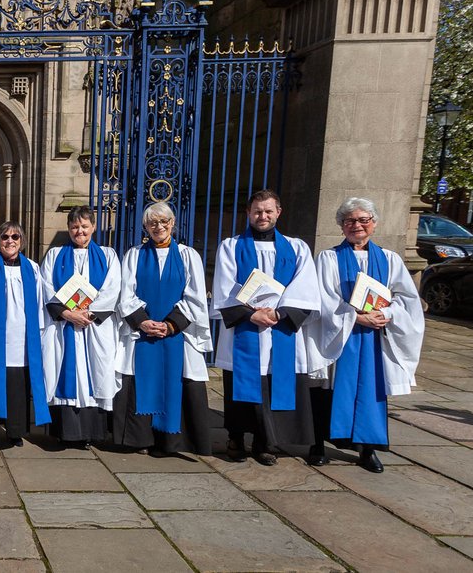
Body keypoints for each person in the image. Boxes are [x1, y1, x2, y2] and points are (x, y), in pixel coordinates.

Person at [310, 197, 423, 472]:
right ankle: (318, 445)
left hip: (374, 338)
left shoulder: (389, 259)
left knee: (371, 390)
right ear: (341, 226)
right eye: (349, 221)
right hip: (339, 336)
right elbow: (322, 297)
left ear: (374, 224)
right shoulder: (328, 258)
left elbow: (407, 298)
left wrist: (388, 314)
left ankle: (367, 449)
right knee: (327, 390)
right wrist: (356, 317)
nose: (356, 226)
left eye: (363, 220)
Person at [211, 189, 321, 466]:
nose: (263, 216)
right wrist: (250, 314)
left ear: (278, 213)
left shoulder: (297, 248)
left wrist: (280, 312)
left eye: (268, 211)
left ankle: (264, 443)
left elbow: (305, 287)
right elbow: (224, 286)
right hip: (244, 330)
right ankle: (235, 437)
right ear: (248, 213)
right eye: (258, 211)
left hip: (279, 328)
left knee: (272, 385)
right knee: (239, 385)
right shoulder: (231, 246)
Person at [112, 202, 212, 457]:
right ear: (145, 226)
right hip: (142, 333)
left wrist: (170, 325)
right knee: (139, 379)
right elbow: (126, 293)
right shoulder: (134, 255)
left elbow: (196, 297)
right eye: (153, 222)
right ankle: (141, 438)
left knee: (176, 380)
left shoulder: (189, 256)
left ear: (172, 224)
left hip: (177, 334)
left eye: (164, 221)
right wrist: (143, 321)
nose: (159, 227)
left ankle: (170, 442)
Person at [40, 205, 124, 449]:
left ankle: (91, 433)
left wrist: (86, 314)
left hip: (94, 328)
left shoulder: (108, 255)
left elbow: (112, 288)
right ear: (68, 228)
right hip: (64, 327)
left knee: (95, 375)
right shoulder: (55, 255)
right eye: (75, 226)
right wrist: (67, 313)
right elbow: (45, 287)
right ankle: (65, 433)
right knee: (64, 373)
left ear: (94, 227)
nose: (80, 231)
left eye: (85, 226)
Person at [0, 221, 51, 447]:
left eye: (15, 237)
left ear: (21, 241)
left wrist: (39, 334)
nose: (10, 241)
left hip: (22, 338)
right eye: (5, 237)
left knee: (18, 385)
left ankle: (15, 431)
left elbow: (39, 303)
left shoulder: (32, 268)